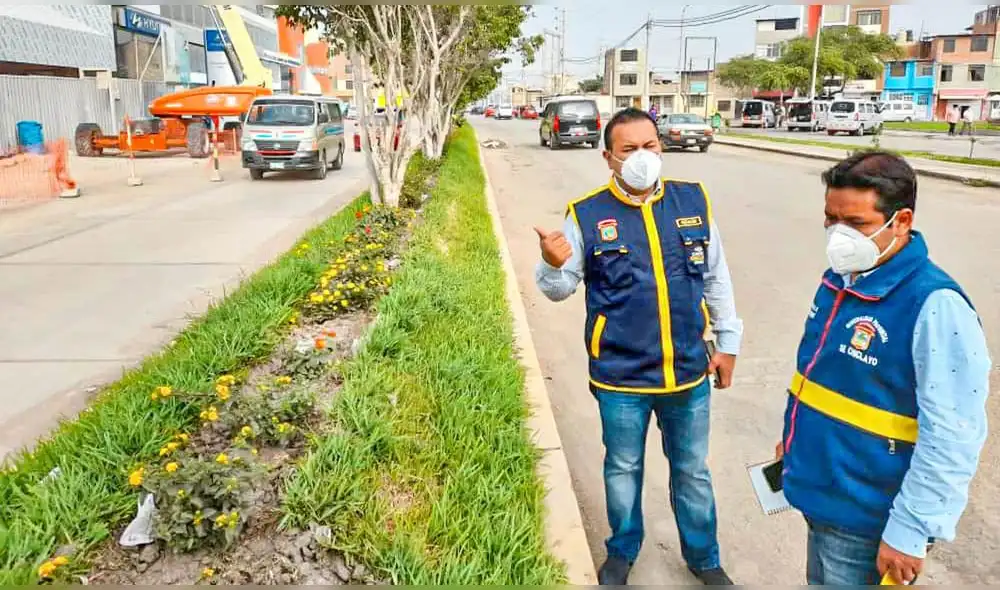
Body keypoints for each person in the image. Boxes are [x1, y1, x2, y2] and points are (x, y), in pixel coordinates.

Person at [533, 108, 743, 586]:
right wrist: (550, 263)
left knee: (692, 471)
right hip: (620, 376)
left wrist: (727, 345)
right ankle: (622, 550)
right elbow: (559, 288)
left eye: (649, 146)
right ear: (608, 157)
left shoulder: (693, 201)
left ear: (661, 147)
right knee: (622, 468)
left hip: (687, 372)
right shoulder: (586, 214)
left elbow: (715, 278)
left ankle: (704, 558)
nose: (642, 157)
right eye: (629, 150)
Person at [776, 151, 990, 585]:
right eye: (830, 219)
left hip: (869, 521)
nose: (838, 236)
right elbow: (823, 382)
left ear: (902, 221)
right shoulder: (843, 278)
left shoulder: (935, 306)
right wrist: (793, 444)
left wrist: (912, 529)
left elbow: (953, 434)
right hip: (822, 495)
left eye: (855, 225)